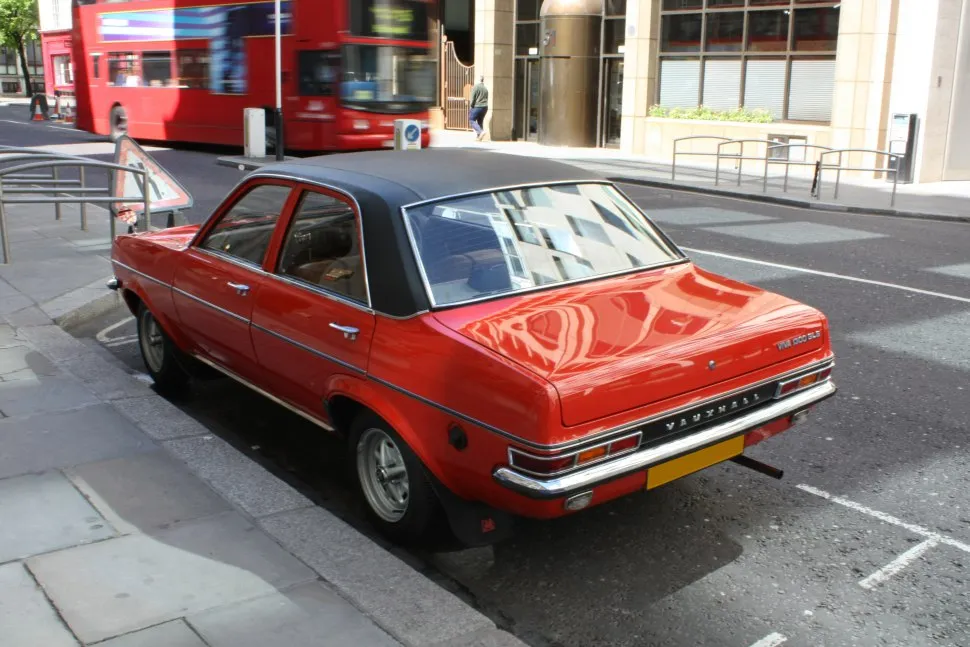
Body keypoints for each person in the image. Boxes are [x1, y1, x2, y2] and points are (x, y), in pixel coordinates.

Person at [469, 76, 489, 141]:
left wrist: (471, 106)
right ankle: (479, 137)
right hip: (485, 107)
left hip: (477, 106)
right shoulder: (485, 89)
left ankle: (480, 131)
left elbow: (472, 98)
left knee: (471, 120)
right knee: (480, 121)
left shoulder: (475, 87)